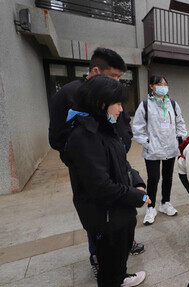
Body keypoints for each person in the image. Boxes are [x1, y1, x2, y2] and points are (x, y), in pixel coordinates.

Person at [47, 47, 144, 278]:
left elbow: (123, 127)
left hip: (115, 161)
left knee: (120, 221)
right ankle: (101, 259)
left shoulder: (110, 112)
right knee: (103, 221)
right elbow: (58, 138)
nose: (117, 82)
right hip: (94, 170)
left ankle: (118, 257)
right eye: (113, 77)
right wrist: (86, 159)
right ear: (96, 72)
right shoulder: (70, 99)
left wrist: (119, 152)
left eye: (120, 78)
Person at [65, 74, 149, 287]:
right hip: (106, 217)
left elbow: (123, 162)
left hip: (120, 212)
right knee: (109, 265)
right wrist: (136, 196)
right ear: (101, 103)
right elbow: (100, 186)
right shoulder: (84, 137)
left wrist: (137, 182)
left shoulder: (105, 128)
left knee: (119, 259)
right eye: (118, 104)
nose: (121, 109)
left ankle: (121, 276)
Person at [132, 74, 187, 225]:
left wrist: (179, 138)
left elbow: (180, 123)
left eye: (164, 83)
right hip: (153, 150)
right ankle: (151, 207)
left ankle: (165, 203)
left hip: (170, 148)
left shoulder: (173, 104)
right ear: (151, 86)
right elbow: (137, 128)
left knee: (168, 177)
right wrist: (148, 143)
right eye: (159, 83)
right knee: (153, 179)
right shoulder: (145, 105)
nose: (163, 86)